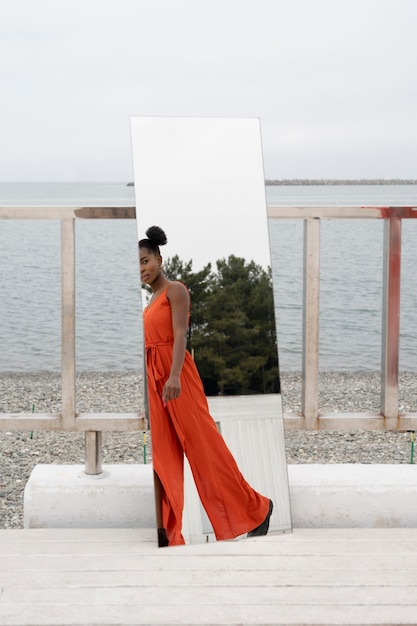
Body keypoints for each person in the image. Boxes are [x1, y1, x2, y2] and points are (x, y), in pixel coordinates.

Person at [139, 225, 273, 547]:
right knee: (164, 455)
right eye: (137, 265)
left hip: (176, 378)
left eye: (145, 261)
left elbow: (181, 335)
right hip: (154, 381)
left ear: (159, 257)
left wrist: (172, 377)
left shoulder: (176, 290)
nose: (141, 269)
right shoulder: (151, 299)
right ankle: (167, 533)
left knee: (204, 450)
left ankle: (258, 509)